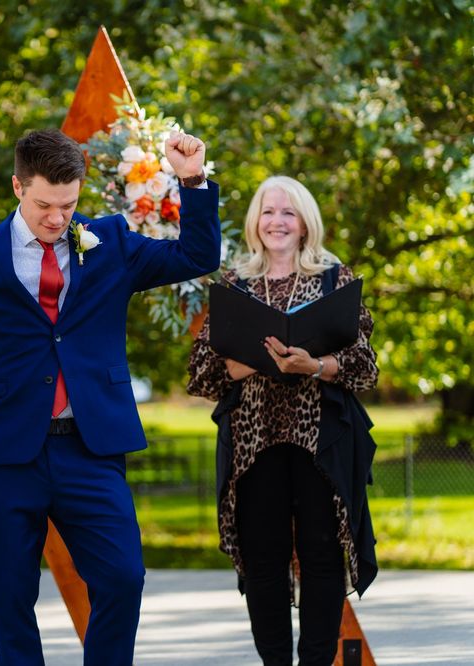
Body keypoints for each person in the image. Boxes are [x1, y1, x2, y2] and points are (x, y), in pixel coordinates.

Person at [0, 128, 221, 665]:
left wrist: (191, 179)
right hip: (3, 455)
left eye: (68, 204)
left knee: (124, 578)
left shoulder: (113, 242)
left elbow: (198, 255)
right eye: (44, 205)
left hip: (91, 448)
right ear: (16, 187)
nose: (57, 218)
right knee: (8, 600)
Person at [187, 175, 379, 665]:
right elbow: (204, 374)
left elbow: (365, 368)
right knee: (264, 561)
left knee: (321, 556)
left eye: (288, 212)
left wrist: (312, 365)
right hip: (255, 444)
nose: (277, 221)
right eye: (268, 211)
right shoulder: (235, 286)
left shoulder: (336, 280)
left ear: (304, 222)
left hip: (321, 439)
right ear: (255, 221)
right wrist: (256, 361)